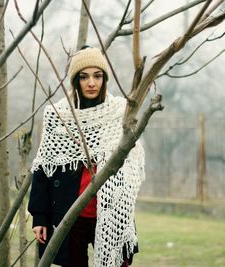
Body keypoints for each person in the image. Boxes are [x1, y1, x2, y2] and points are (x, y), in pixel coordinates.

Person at [28, 46, 145, 267]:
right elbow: (44, 167)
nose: (91, 83)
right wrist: (39, 217)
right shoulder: (58, 115)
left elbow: (130, 163)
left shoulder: (119, 112)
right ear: (75, 81)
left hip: (112, 211)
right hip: (70, 213)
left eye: (97, 76)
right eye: (84, 77)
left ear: (105, 79)